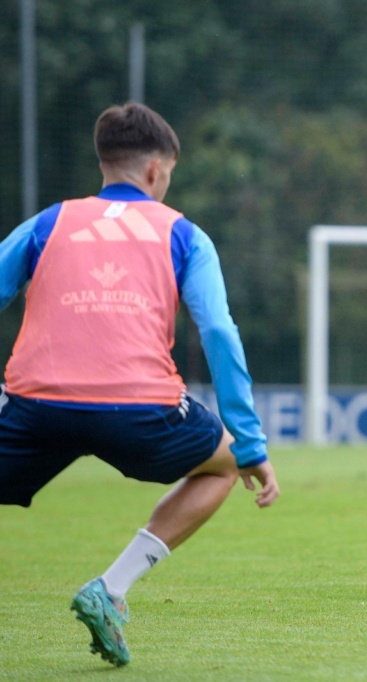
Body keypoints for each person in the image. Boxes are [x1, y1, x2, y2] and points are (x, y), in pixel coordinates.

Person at [0, 102, 279, 666]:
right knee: (222, 465)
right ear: (156, 171)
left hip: (34, 404)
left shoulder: (50, 222)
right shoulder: (183, 232)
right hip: (142, 409)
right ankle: (113, 587)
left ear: (104, 163)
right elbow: (220, 333)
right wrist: (249, 444)